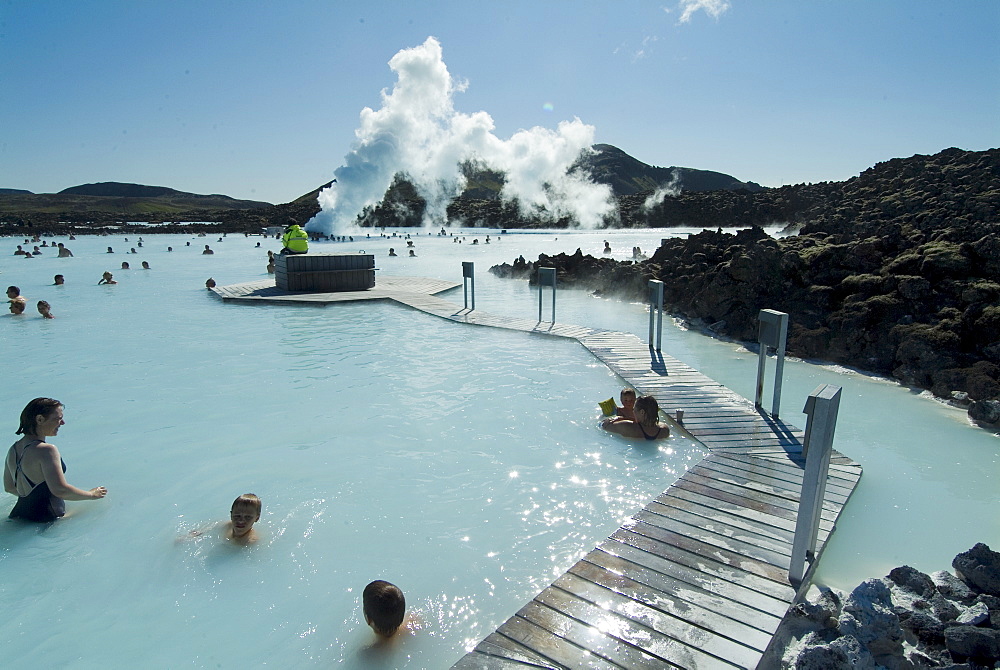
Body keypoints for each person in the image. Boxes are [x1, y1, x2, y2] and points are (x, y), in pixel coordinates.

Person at [3, 398, 107, 522]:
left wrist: (34, 501)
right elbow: (60, 490)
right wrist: (92, 495)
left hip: (18, 515)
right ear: (40, 419)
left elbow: (9, 487)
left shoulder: (13, 449)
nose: (62, 422)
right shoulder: (46, 450)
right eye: (58, 418)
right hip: (48, 519)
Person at [602, 395, 669, 441]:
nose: (633, 411)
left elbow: (604, 425)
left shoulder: (628, 427)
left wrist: (618, 418)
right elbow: (652, 423)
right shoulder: (664, 430)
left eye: (634, 409)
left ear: (642, 412)